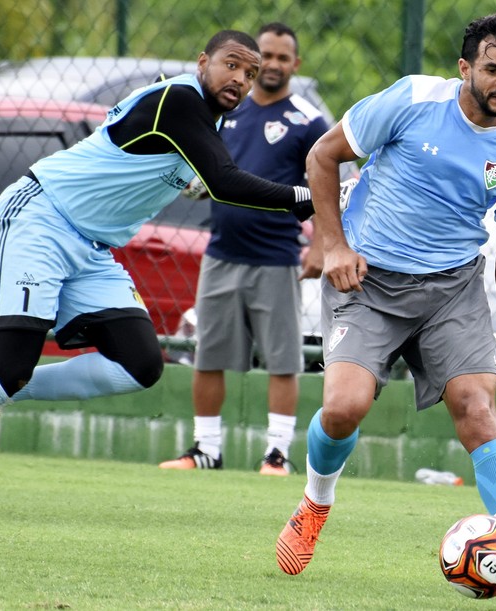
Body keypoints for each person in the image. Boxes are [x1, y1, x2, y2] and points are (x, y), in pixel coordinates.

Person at [0, 29, 316, 514]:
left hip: (90, 247)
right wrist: (308, 199)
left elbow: (193, 176)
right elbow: (225, 183)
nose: (241, 79)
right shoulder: (181, 99)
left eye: (249, 74)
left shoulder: (205, 122)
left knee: (139, 365)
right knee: (10, 365)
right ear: (203, 61)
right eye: (232, 64)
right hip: (39, 219)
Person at [272, 13, 496, 599]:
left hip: (451, 289)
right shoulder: (410, 99)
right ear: (465, 69)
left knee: (476, 410)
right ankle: (314, 504)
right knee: (344, 408)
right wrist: (334, 246)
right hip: (368, 280)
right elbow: (323, 158)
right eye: (493, 69)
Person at [158, 22, 329, 476]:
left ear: (295, 64)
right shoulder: (222, 111)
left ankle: (277, 454)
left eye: (280, 58)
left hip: (276, 258)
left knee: (282, 362)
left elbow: (329, 184)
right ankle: (206, 450)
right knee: (208, 356)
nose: (271, 65)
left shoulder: (308, 122)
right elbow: (201, 170)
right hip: (221, 253)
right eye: (264, 57)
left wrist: (323, 245)